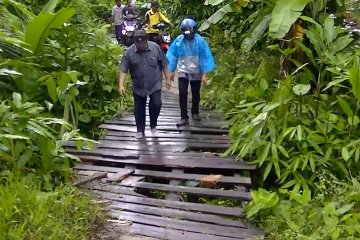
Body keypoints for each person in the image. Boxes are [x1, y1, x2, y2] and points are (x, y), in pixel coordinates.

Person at [119, 30, 172, 139]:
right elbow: (123, 69)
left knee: (156, 104)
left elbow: (164, 64)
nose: (141, 46)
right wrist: (121, 85)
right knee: (139, 108)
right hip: (138, 84)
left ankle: (153, 126)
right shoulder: (129, 52)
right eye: (138, 44)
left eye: (142, 44)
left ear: (146, 40)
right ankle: (140, 130)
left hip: (155, 83)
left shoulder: (156, 48)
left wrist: (168, 78)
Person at [166, 17, 216, 126]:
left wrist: (204, 74)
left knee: (195, 93)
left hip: (196, 70)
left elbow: (204, 58)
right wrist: (171, 71)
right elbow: (172, 56)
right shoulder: (179, 41)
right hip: (183, 70)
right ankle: (184, 117)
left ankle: (195, 111)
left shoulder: (200, 42)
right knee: (182, 92)